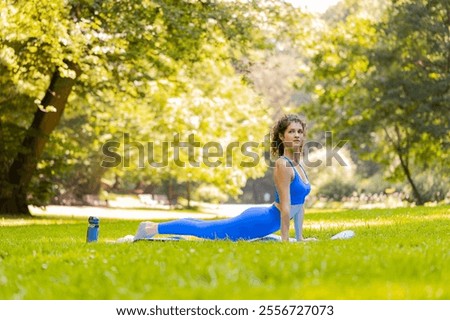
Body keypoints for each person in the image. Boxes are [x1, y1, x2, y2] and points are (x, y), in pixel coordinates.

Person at [133, 114, 311, 242]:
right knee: (205, 230)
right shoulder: (283, 164)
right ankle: (151, 228)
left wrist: (300, 238)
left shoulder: (298, 164)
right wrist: (286, 241)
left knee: (207, 226)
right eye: (291, 131)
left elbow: (299, 205)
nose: (297, 135)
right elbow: (286, 208)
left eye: (300, 131)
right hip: (259, 222)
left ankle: (151, 226)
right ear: (281, 136)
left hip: (265, 220)